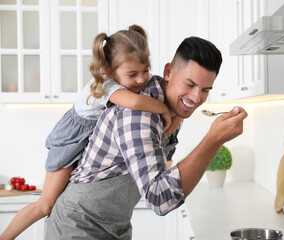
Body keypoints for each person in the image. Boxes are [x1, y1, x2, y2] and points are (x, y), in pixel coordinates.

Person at [44, 36, 248, 240]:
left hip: (115, 226)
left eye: (205, 90)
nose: (196, 98)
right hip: (77, 227)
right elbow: (160, 199)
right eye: (190, 84)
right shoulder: (138, 115)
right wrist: (214, 139)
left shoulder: (173, 105)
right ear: (168, 72)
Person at [0, 25, 182, 240]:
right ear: (109, 71)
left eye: (145, 70)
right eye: (132, 74)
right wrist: (167, 111)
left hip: (84, 142)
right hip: (69, 143)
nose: (142, 79)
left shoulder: (127, 81)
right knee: (45, 204)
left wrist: (178, 113)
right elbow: (134, 102)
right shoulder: (106, 85)